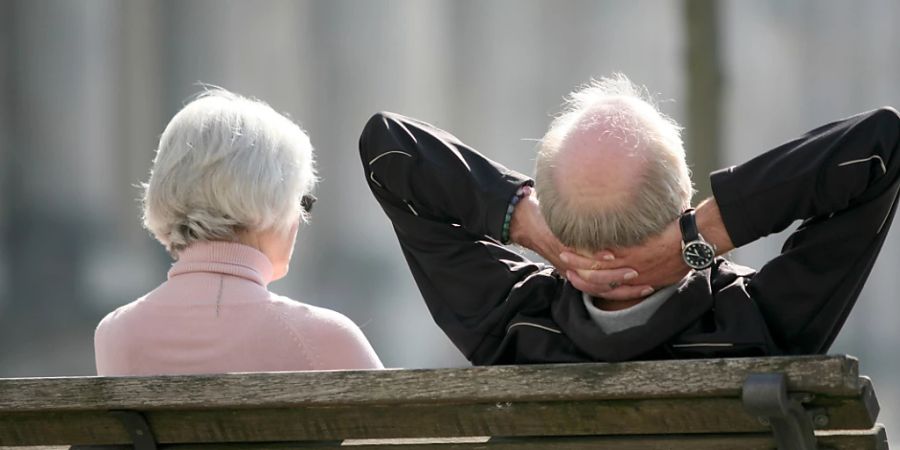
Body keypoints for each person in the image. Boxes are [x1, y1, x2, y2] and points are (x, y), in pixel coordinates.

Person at [359, 75, 900, 364]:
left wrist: (528, 227)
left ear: (558, 217)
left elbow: (391, 153)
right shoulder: (761, 321)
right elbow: (883, 146)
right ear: (683, 193)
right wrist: (701, 238)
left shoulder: (510, 327)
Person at [94, 89, 383, 375]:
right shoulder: (324, 337)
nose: (301, 218)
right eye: (301, 201)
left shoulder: (115, 333)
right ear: (273, 199)